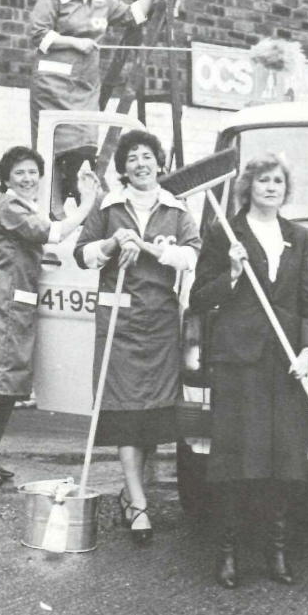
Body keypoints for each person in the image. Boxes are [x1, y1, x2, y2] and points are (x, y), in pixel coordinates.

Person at [189, 154, 308, 588]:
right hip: (238, 360)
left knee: (282, 458)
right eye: (263, 180)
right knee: (234, 458)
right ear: (248, 187)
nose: (271, 187)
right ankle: (228, 553)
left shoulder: (297, 236)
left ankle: (276, 552)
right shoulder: (224, 232)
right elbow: (198, 298)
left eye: (277, 181)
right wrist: (231, 272)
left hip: (284, 362)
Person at [74, 129, 200, 542]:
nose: (141, 164)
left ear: (159, 163)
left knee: (151, 414)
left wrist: (144, 246)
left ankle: (132, 494)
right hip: (119, 322)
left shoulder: (176, 209)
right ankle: (139, 503)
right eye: (132, 158)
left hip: (160, 323)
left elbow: (191, 256)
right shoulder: (109, 206)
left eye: (147, 156)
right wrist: (114, 242)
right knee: (125, 411)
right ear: (123, 169)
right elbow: (82, 255)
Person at [0, 146, 100, 484]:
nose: (27, 178)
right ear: (6, 178)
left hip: (17, 307)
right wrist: (87, 203)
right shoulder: (9, 206)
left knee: (9, 385)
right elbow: (51, 234)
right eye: (19, 172)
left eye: (32, 172)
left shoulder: (26, 207)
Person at [28, 0, 176, 203]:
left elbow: (132, 15)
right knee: (55, 147)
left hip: (85, 86)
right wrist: (74, 42)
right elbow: (38, 34)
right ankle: (54, 203)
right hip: (53, 85)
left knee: (85, 144)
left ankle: (76, 199)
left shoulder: (101, 0)